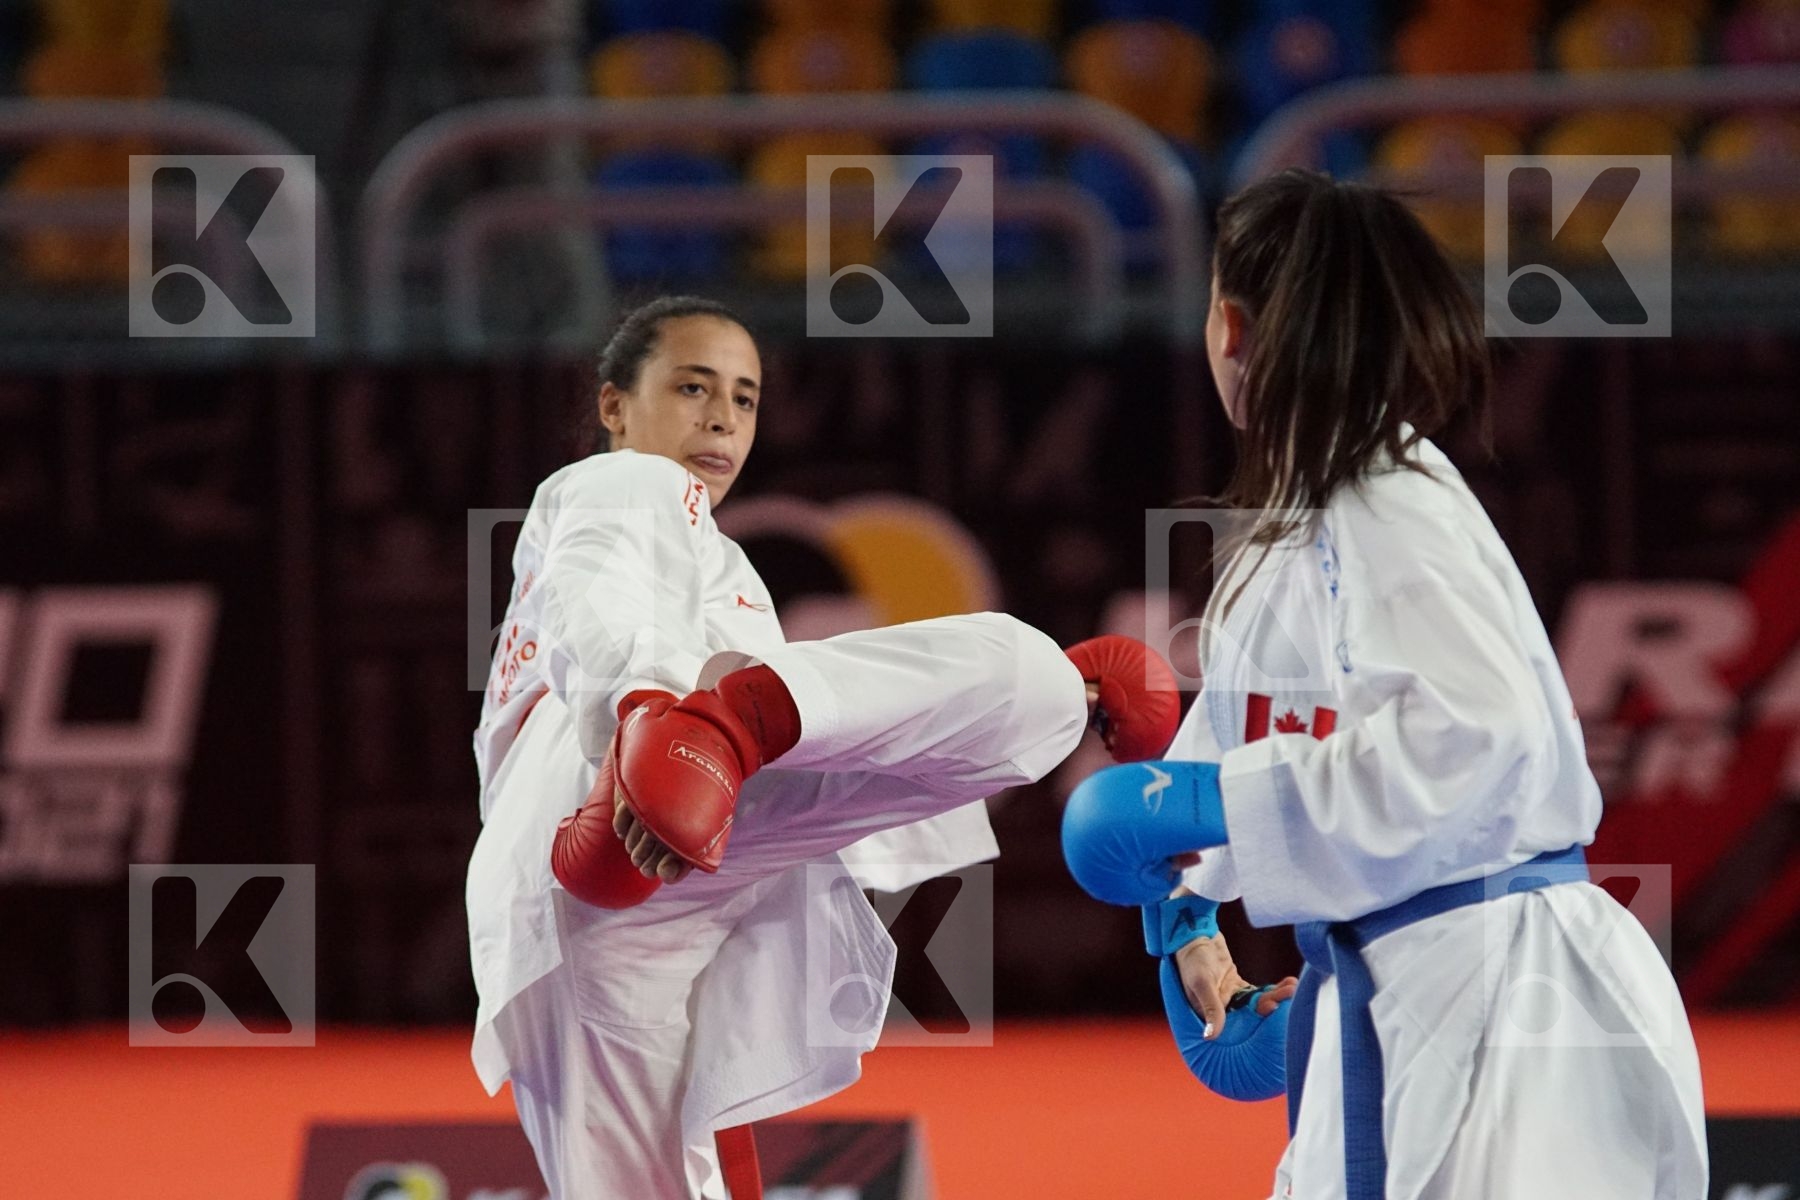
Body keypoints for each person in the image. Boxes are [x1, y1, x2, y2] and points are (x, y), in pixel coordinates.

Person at [1060, 170, 1707, 1200]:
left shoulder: (1389, 502)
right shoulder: (1292, 531)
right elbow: (1220, 764)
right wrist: (1185, 921)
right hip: (1403, 991)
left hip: (1513, 1012)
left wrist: (1209, 806)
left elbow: (1477, 731)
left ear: (1230, 329)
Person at [466, 295, 1178, 1199]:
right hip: (612, 800)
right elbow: (599, 595)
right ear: (614, 406)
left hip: (623, 881)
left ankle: (736, 727)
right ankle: (716, 729)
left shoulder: (718, 567)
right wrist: (644, 708)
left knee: (672, 1180)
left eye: (746, 398)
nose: (722, 416)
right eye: (692, 387)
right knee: (1020, 673)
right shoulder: (620, 487)